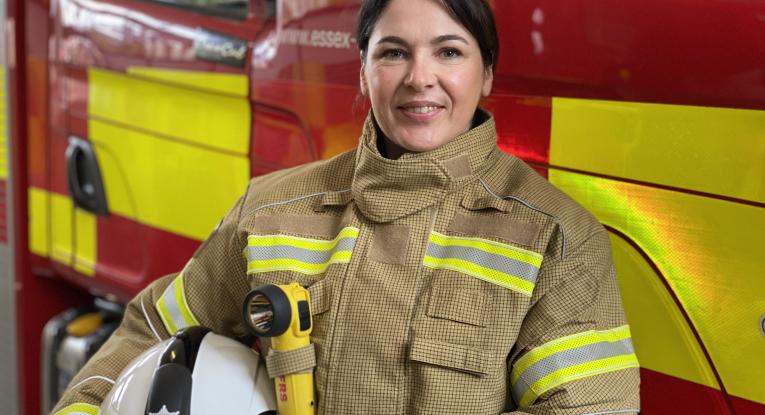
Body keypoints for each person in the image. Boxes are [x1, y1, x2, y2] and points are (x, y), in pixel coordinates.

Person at [53, 0, 640, 413]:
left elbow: (589, 410)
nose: (420, 78)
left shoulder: (554, 237)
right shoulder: (274, 211)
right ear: (363, 70)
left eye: (449, 51)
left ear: (486, 71)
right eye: (393, 53)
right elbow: (153, 328)